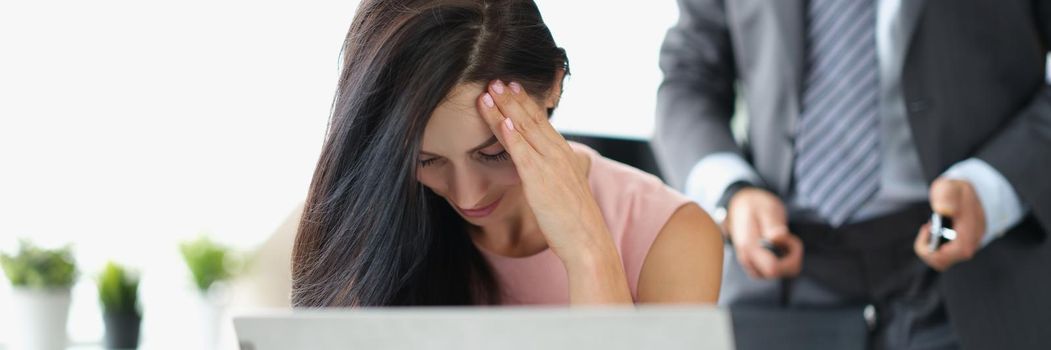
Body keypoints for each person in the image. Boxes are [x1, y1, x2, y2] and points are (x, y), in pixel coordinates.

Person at [654, 0, 1051, 348]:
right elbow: (688, 79)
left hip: (970, 276)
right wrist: (732, 193)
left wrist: (993, 186)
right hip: (780, 279)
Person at [290, 0, 723, 307]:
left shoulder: (671, 236)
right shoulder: (371, 226)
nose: (468, 196)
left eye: (494, 152)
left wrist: (589, 254)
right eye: (425, 161)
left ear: (554, 84)